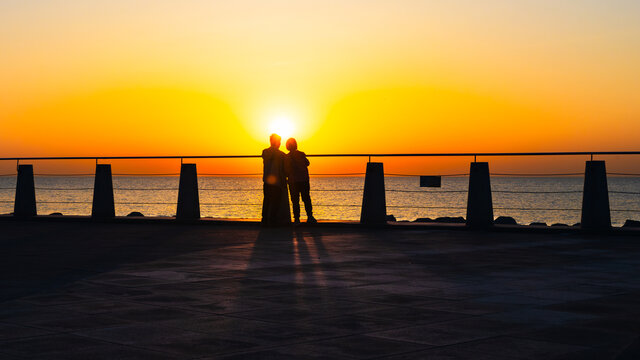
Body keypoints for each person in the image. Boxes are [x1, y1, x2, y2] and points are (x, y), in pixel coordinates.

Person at [284, 138, 317, 224]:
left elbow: (286, 170)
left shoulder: (286, 157)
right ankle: (310, 216)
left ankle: (297, 219)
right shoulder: (301, 154)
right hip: (303, 180)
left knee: (295, 200)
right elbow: (307, 163)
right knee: (306, 198)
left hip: (293, 181)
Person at [261, 134, 291, 226]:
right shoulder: (282, 155)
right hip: (277, 182)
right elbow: (286, 170)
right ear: (277, 142)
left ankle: (265, 220)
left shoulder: (265, 152)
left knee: (267, 201)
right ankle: (273, 221)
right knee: (275, 202)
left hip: (267, 181)